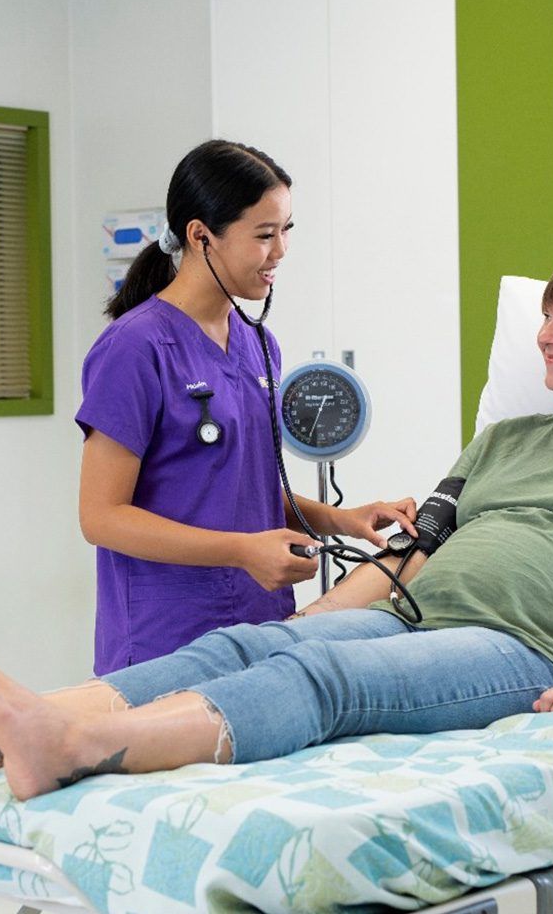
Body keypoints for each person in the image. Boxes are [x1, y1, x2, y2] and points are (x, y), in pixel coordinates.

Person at [0, 254, 553, 803]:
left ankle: (81, 745)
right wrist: (301, 626)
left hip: (529, 648)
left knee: (321, 676)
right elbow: (409, 551)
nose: (544, 335)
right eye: (544, 316)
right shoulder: (506, 439)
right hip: (411, 613)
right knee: (250, 645)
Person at [77, 139, 416, 672]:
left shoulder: (258, 343)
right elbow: (101, 517)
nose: (280, 251)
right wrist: (242, 551)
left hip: (261, 628)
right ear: (200, 236)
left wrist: (340, 519)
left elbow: (244, 486)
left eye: (285, 231)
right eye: (264, 234)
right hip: (164, 639)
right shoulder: (135, 349)